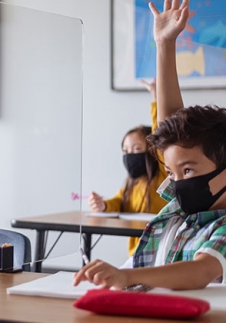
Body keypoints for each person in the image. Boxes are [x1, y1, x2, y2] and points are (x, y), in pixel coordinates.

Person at [74, 0, 226, 290]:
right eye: (171, 172)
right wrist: (164, 45)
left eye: (188, 171)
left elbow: (201, 270)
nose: (177, 184)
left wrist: (127, 277)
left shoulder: (221, 225)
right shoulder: (183, 208)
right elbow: (172, 137)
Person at [88, 81, 167, 256]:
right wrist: (103, 205)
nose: (130, 155)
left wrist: (156, 98)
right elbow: (119, 202)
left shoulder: (163, 178)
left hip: (159, 254)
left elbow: (161, 134)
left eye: (137, 149)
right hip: (135, 255)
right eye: (126, 151)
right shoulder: (132, 184)